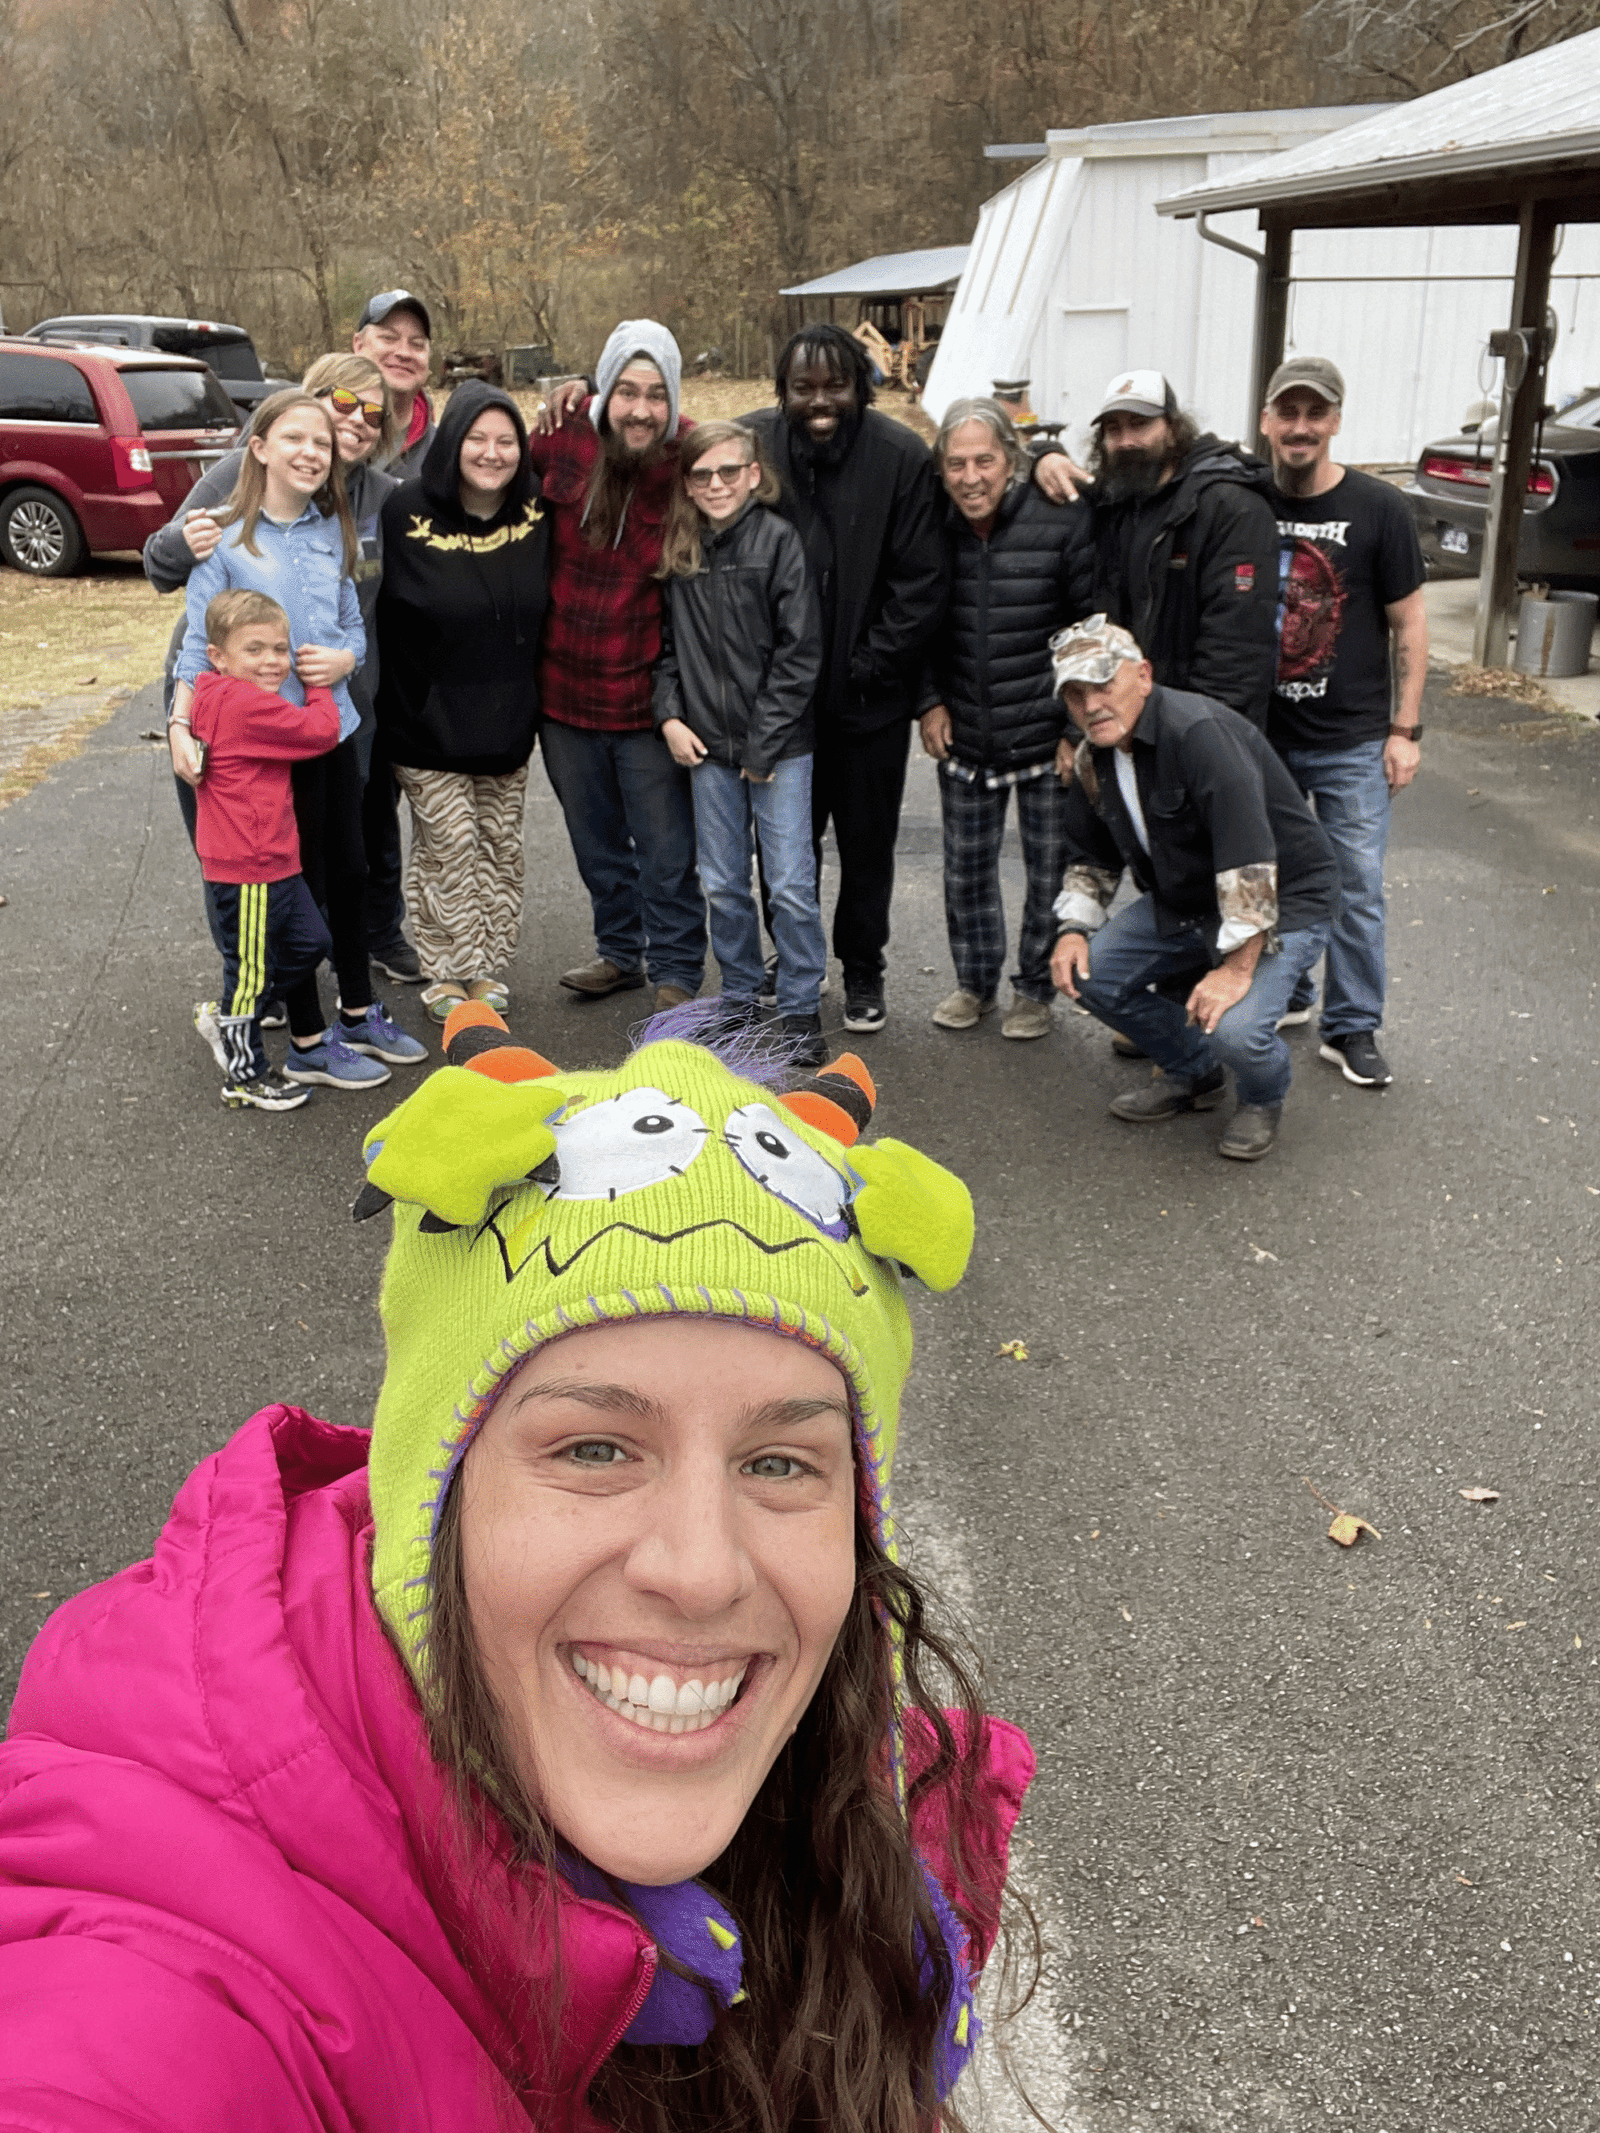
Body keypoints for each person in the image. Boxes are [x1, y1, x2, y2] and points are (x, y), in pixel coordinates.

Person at [0, 1003, 1039, 2133]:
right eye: (595, 1448)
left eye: (782, 1462)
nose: (698, 1571)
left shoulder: (869, 1818)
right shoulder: (173, 1955)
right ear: (431, 1498)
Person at [170, 390, 425, 1094]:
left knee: (348, 873)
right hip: (264, 755)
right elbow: (198, 649)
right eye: (295, 439)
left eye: (322, 442)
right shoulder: (223, 541)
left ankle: (357, 1008)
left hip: (332, 732)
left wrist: (346, 660)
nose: (312, 452)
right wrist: (178, 727)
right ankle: (308, 1039)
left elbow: (351, 624)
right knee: (297, 892)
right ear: (259, 448)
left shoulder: (330, 530)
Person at [1048, 615, 1339, 1162]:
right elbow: (1092, 856)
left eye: (1104, 685)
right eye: (1075, 694)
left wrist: (1234, 971)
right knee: (1091, 975)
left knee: (1237, 1027)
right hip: (1190, 900)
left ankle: (1261, 1097)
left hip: (1284, 900)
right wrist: (1072, 930)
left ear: (1143, 675)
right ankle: (1193, 1073)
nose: (1091, 706)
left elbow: (1250, 864)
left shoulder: (1199, 734)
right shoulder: (1093, 757)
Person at [735, 326, 945, 1036]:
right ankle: (792, 956)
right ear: (782, 392)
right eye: (803, 388)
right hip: (780, 705)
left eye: (835, 386)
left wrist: (866, 666)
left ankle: (863, 965)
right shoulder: (753, 450)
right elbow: (679, 461)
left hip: (869, 700)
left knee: (865, 845)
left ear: (861, 385)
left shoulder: (901, 457)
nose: (819, 401)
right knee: (785, 846)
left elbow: (920, 581)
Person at [528, 321, 707, 1013]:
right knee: (595, 841)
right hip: (563, 693)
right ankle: (619, 951)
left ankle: (677, 970)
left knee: (665, 850)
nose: (640, 408)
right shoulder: (561, 434)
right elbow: (487, 461)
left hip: (644, 700)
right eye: (626, 390)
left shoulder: (691, 454)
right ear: (603, 388)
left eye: (656, 394)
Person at [1260, 356, 1427, 1091]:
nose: (1301, 427)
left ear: (1335, 420)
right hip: (1260, 735)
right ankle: (1287, 994)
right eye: (1287, 412)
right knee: (1263, 878)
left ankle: (1351, 1024)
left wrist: (1406, 729)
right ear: (1266, 419)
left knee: (1356, 883)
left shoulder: (1380, 507)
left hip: (1354, 738)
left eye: (1315, 413)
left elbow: (1410, 623)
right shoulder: (1237, 496)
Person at [918, 397, 1094, 1042]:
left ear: (1012, 463)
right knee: (965, 870)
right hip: (964, 727)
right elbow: (919, 623)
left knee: (1048, 870)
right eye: (957, 463)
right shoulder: (930, 524)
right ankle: (973, 983)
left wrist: (1078, 731)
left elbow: (1089, 627)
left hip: (1049, 736)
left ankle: (1034, 990)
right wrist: (928, 701)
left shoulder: (1060, 519)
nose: (971, 477)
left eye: (984, 461)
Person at [376, 382, 551, 1025]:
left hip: (507, 721)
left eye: (506, 440)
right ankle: (446, 972)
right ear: (452, 441)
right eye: (477, 437)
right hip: (426, 723)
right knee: (448, 847)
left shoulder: (537, 511)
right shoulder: (404, 512)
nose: (491, 452)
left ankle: (485, 969)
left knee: (500, 846)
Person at [653, 421, 825, 1064]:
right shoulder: (682, 547)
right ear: (688, 484)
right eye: (702, 475)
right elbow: (666, 650)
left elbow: (800, 652)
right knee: (724, 883)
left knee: (787, 884)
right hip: (706, 749)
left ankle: (801, 1006)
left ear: (754, 474)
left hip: (777, 750)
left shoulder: (779, 542)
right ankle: (742, 999)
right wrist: (669, 715)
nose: (716, 484)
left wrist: (763, 745)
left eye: (729, 471)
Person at [187, 589, 339, 1111]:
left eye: (280, 648)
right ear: (219, 656)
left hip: (272, 860)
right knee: (249, 976)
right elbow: (320, 733)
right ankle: (245, 1076)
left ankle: (227, 1013)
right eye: (254, 650)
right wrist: (320, 685)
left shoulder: (209, 691)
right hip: (249, 866)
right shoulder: (245, 704)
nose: (272, 661)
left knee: (310, 942)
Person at [1086, 369, 1281, 730]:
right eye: (1114, 430)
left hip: (1202, 730)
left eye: (1139, 424)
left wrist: (1199, 737)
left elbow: (1236, 650)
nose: (1126, 440)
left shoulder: (1229, 505)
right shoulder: (1117, 502)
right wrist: (1043, 455)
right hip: (1135, 722)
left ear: (1173, 429)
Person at [352, 287, 436, 478]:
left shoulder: (445, 455)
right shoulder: (315, 429)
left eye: (416, 344)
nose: (403, 353)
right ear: (358, 345)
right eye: (389, 338)